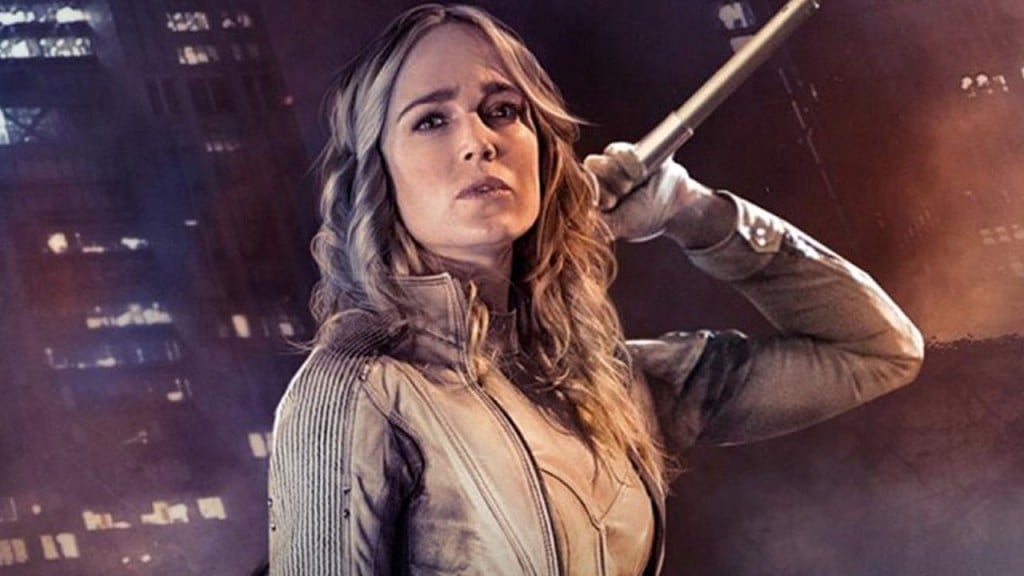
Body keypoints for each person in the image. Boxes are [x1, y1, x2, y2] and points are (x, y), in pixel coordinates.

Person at [266, 4, 924, 575]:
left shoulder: (608, 385)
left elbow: (876, 349)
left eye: (502, 111)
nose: (478, 141)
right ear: (379, 174)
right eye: (431, 121)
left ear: (541, 150)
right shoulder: (354, 390)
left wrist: (693, 212)